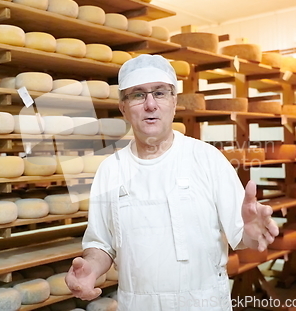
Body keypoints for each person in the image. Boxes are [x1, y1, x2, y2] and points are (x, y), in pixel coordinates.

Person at [65, 54, 279, 310]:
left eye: (160, 93)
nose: (150, 104)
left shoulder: (207, 159)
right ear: (123, 107)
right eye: (137, 95)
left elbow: (244, 238)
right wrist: (90, 268)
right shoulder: (110, 171)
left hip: (202, 304)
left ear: (174, 102)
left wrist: (253, 233)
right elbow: (101, 245)